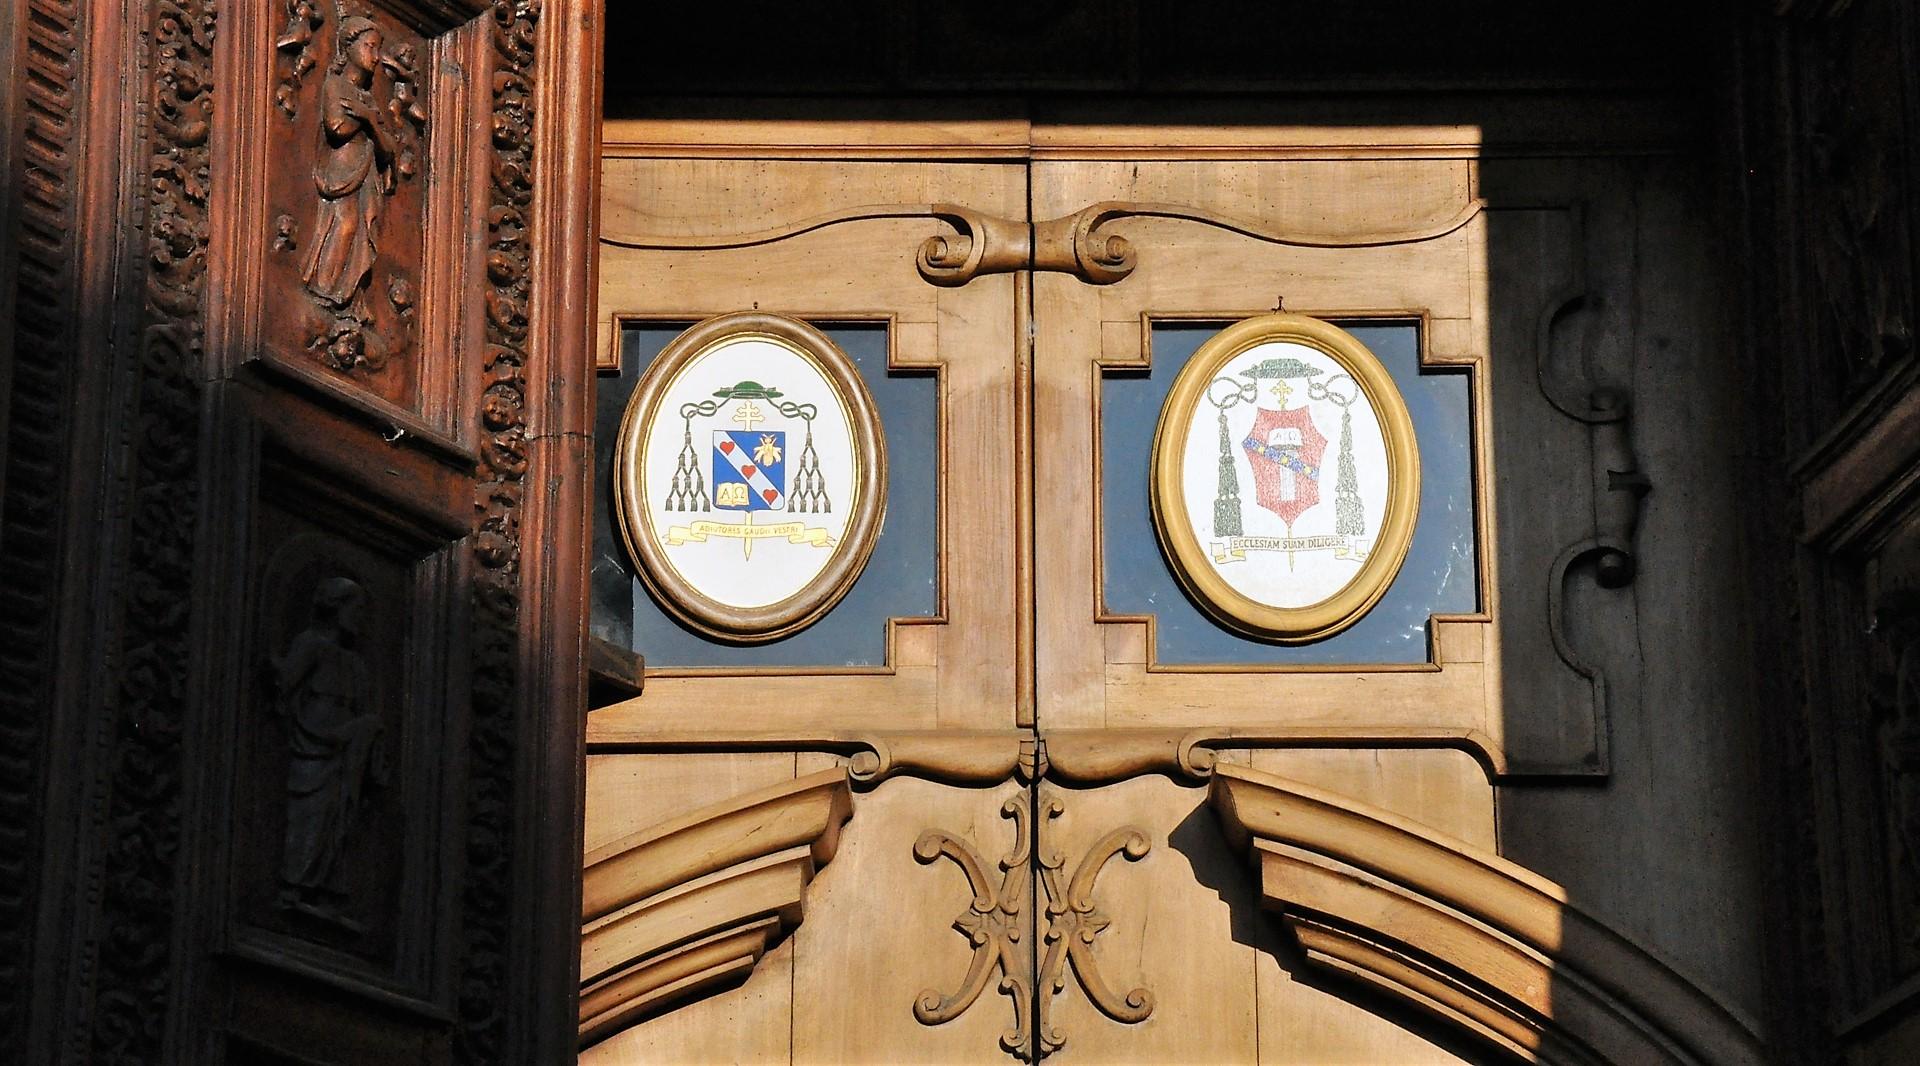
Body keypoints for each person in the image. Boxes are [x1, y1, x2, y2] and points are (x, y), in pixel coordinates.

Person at [273, 576, 385, 926]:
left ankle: (325, 895)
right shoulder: (311, 646)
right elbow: (285, 687)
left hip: (345, 753)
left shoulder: (357, 666)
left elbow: (360, 709)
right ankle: (294, 890)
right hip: (314, 744)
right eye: (355, 609)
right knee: (311, 816)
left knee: (338, 820)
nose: (359, 617)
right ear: (335, 607)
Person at [301, 16, 397, 319]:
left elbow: (389, 148)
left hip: (365, 174)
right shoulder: (335, 84)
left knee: (359, 233)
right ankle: (324, 288)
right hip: (342, 171)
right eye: (369, 47)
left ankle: (344, 294)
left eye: (377, 49)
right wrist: (364, 119)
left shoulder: (367, 100)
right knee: (344, 225)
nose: (376, 56)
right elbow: (337, 127)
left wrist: (368, 117)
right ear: (349, 47)